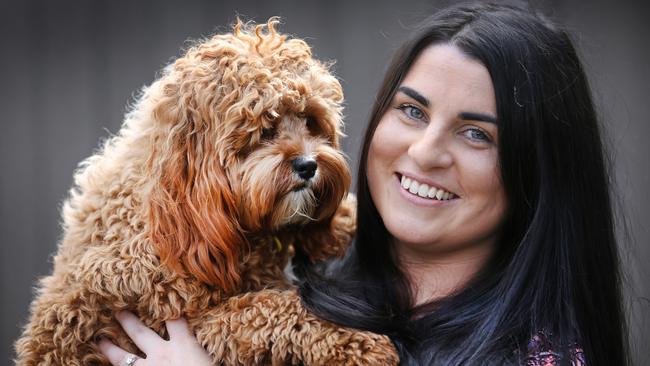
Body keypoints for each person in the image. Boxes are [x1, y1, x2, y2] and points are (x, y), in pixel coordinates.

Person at [98, 2, 628, 365]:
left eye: (475, 134)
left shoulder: (541, 355)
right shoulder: (293, 282)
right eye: (412, 111)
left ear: (537, 171)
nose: (424, 153)